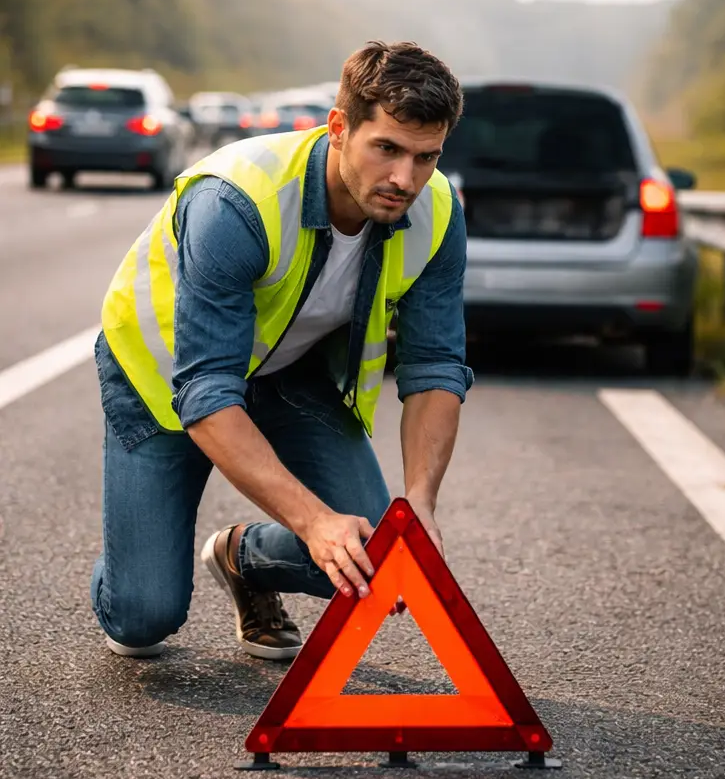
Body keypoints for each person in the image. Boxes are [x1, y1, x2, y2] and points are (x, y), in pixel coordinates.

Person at [92, 40, 472, 660]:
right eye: (388, 149)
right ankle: (139, 551)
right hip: (161, 376)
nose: (406, 179)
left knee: (380, 555)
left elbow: (434, 367)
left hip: (287, 370)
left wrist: (419, 505)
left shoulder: (438, 211)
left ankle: (242, 557)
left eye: (426, 157)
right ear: (340, 128)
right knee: (142, 618)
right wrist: (314, 521)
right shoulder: (236, 201)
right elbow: (207, 390)